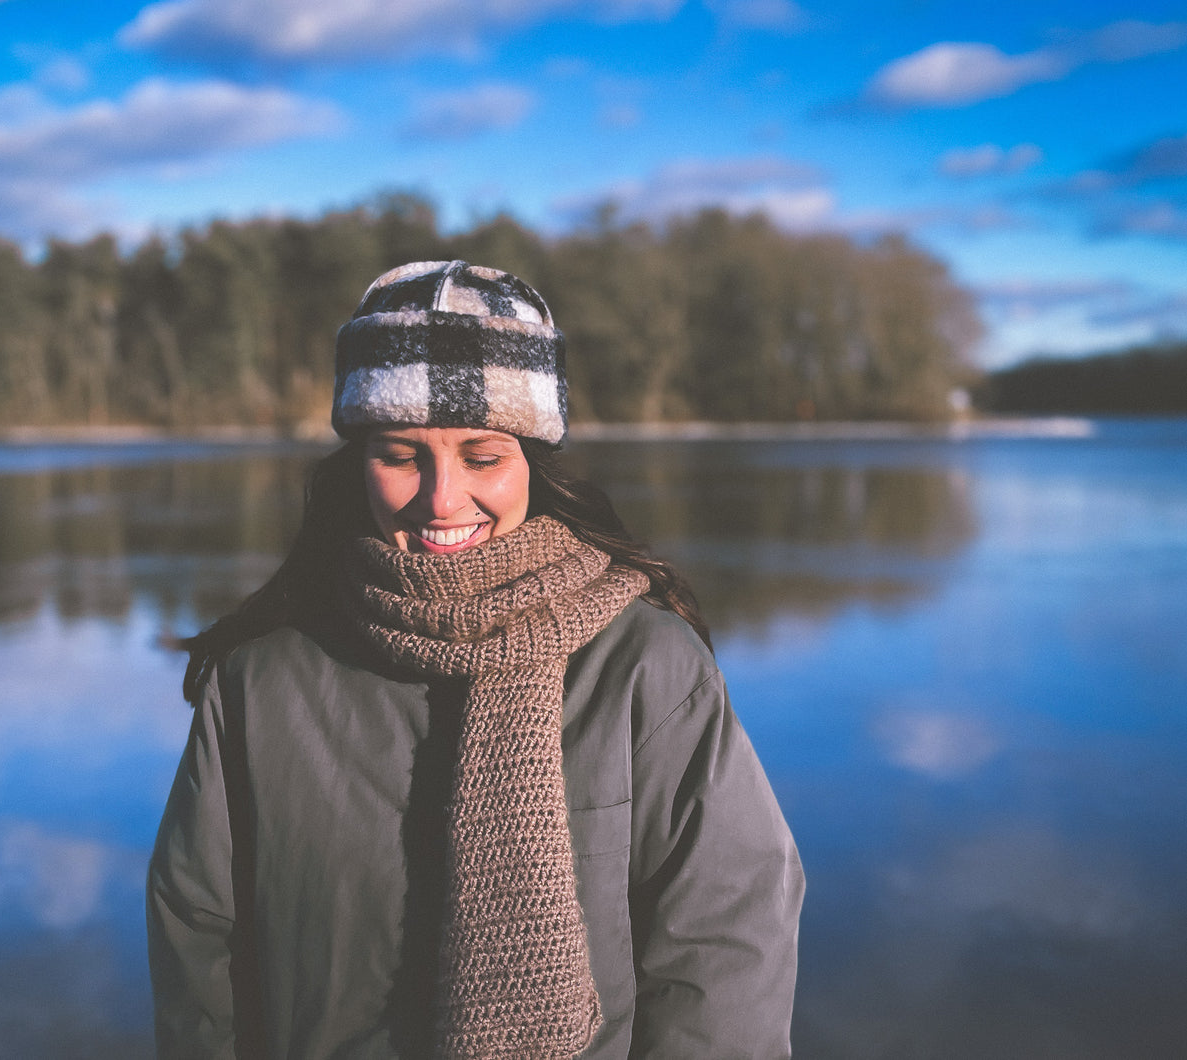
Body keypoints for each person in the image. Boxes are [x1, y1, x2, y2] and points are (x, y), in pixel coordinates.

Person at [147, 260, 804, 1059]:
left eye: (482, 456)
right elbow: (197, 940)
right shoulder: (261, 679)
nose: (441, 498)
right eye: (400, 454)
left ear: (532, 460)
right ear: (358, 462)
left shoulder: (642, 663)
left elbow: (727, 936)